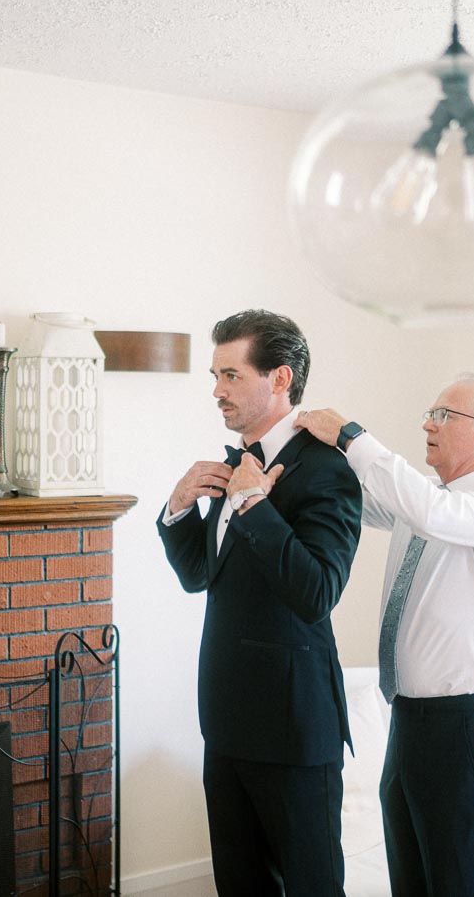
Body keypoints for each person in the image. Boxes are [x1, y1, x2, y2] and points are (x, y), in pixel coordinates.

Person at [297, 371, 474, 897]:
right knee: (409, 879)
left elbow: (429, 513)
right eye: (431, 412)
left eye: (445, 415)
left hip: (466, 723)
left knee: (457, 883)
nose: (428, 423)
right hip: (407, 717)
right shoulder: (427, 497)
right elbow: (361, 499)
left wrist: (352, 436)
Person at [157, 309, 362, 896]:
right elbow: (201, 576)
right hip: (224, 721)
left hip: (294, 727)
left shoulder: (326, 471)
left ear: (280, 379)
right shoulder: (233, 465)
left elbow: (317, 591)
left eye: (231, 375)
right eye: (214, 376)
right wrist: (178, 509)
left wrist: (254, 506)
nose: (216, 391)